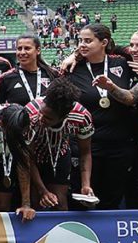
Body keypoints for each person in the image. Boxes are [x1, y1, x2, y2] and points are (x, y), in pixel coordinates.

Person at [65, 23, 136, 209]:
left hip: (119, 146)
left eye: (88, 41)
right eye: (80, 41)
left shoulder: (121, 62)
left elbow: (137, 50)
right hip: (86, 147)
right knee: (84, 200)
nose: (82, 45)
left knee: (112, 200)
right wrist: (74, 56)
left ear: (104, 42)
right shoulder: (73, 68)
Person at [27, 79, 95, 210]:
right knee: (36, 202)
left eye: (48, 118)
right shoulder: (30, 113)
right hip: (33, 157)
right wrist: (43, 190)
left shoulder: (81, 117)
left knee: (60, 203)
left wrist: (86, 185)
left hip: (60, 154)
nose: (41, 118)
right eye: (41, 113)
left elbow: (85, 153)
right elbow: (27, 157)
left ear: (64, 117)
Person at [0, 35, 58, 106]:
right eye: (19, 48)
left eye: (27, 48)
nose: (22, 52)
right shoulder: (5, 78)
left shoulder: (53, 74)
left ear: (38, 50)